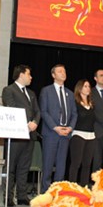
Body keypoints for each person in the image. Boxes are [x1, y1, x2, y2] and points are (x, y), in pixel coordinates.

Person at [1, 64, 41, 207]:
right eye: (29, 74)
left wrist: (35, 122)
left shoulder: (31, 93)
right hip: (16, 134)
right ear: (21, 74)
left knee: (24, 167)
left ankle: (22, 196)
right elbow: (11, 108)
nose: (31, 77)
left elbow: (37, 111)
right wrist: (26, 124)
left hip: (30, 134)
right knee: (11, 167)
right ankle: (8, 197)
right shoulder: (8, 90)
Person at [39, 64, 77, 193]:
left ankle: (58, 193)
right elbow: (43, 112)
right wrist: (55, 127)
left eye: (64, 71)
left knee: (61, 166)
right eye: (60, 71)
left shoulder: (70, 94)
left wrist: (70, 128)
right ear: (53, 75)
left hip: (66, 134)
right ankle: (45, 193)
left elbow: (74, 114)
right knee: (48, 166)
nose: (63, 73)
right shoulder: (46, 91)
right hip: (51, 133)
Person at [68, 79, 96, 186]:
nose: (88, 88)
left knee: (87, 164)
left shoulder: (92, 103)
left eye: (89, 86)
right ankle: (72, 187)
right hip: (78, 134)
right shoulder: (75, 103)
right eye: (85, 86)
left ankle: (84, 187)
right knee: (76, 163)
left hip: (91, 136)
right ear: (79, 88)